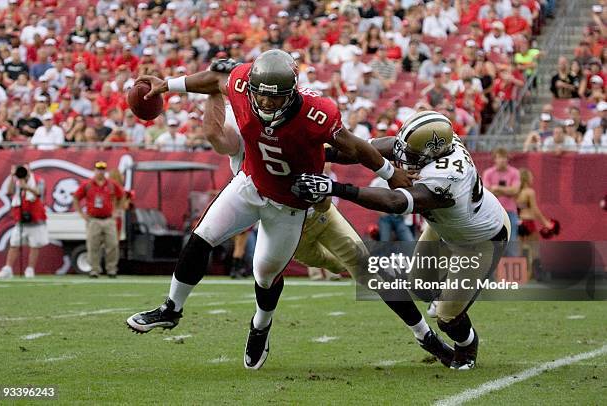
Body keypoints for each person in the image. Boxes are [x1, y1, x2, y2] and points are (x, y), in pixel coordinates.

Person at [126, 50, 435, 371]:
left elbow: (354, 145)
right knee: (202, 236)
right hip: (250, 184)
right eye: (262, 96)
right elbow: (217, 80)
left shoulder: (317, 114)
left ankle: (260, 324)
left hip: (290, 206)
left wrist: (388, 172)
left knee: (265, 274)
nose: (268, 104)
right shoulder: (243, 84)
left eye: (276, 99)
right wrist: (169, 85)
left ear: (292, 93)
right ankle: (171, 309)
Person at [201, 91, 454, 366]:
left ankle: (424, 335)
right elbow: (218, 137)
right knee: (293, 271)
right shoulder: (249, 139)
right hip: (287, 231)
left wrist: (326, 190)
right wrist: (210, 90)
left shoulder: (299, 128)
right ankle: (260, 326)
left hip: (321, 217)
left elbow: (349, 156)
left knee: (368, 271)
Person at [293, 111, 511, 370]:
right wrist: (319, 152)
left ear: (432, 151)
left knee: (448, 319)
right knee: (419, 286)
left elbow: (396, 202)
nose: (403, 156)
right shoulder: (432, 145)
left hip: (481, 240)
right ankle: (445, 293)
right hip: (446, 229)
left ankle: (467, 348)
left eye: (410, 153)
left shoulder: (448, 177)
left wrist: (334, 187)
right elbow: (366, 150)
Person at [73, 161, 124, 278]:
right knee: (93, 245)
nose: (100, 171)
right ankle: (94, 269)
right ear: (94, 170)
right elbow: (76, 198)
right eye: (98, 169)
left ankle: (111, 269)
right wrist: (81, 214)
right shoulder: (88, 184)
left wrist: (117, 211)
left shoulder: (111, 184)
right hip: (93, 219)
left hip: (108, 219)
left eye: (102, 169)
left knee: (113, 244)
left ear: (105, 171)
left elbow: (121, 196)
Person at [0, 165, 47, 279]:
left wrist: (26, 187)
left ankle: (30, 269)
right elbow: (9, 191)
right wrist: (12, 176)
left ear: (30, 170)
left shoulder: (38, 180)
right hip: (21, 220)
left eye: (25, 169)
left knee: (35, 245)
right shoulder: (16, 181)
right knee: (14, 244)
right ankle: (8, 269)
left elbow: (40, 193)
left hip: (36, 219)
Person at [516, 168, 555, 279]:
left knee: (519, 248)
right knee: (535, 249)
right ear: (527, 178)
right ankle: (538, 274)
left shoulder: (516, 192)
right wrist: (546, 222)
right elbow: (535, 209)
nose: (533, 178)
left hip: (519, 223)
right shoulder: (530, 192)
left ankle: (519, 274)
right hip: (528, 222)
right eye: (531, 176)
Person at [482, 148, 520, 256]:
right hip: (492, 213)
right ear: (495, 159)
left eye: (504, 158)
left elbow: (515, 190)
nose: (502, 160)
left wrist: (496, 188)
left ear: (507, 159)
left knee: (511, 241)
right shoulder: (488, 173)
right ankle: (493, 271)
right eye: (499, 157)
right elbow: (486, 192)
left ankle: (512, 271)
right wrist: (507, 190)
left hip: (510, 212)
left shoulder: (515, 172)